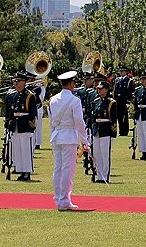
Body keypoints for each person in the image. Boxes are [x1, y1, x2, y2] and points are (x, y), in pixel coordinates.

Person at [48, 71, 88, 211]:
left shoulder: (53, 99)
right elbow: (79, 122)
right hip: (69, 135)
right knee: (68, 170)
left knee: (58, 168)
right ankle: (64, 199)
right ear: (71, 84)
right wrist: (85, 140)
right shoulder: (74, 100)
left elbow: (52, 121)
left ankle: (59, 198)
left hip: (57, 135)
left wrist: (53, 135)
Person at [6, 72, 37, 182]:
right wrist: (9, 125)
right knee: (17, 150)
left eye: (18, 81)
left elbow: (33, 113)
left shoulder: (29, 96)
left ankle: (27, 172)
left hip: (25, 125)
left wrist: (30, 127)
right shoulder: (12, 95)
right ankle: (20, 171)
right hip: (15, 125)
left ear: (24, 82)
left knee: (26, 150)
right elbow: (10, 112)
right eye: (15, 81)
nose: (16, 83)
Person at [90, 79, 117, 183]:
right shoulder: (96, 101)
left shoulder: (111, 102)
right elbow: (93, 117)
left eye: (101, 89)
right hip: (97, 129)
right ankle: (99, 175)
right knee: (97, 154)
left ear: (106, 89)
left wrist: (113, 134)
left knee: (105, 154)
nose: (99, 90)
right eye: (98, 89)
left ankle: (105, 176)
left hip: (106, 130)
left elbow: (113, 119)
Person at [112, 69, 133, 138]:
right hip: (118, 101)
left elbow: (129, 91)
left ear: (126, 72)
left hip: (124, 101)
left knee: (124, 116)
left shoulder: (129, 80)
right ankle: (121, 130)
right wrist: (114, 99)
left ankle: (125, 131)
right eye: (120, 71)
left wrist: (128, 102)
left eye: (123, 71)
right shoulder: (117, 79)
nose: (121, 73)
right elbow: (115, 90)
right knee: (119, 116)